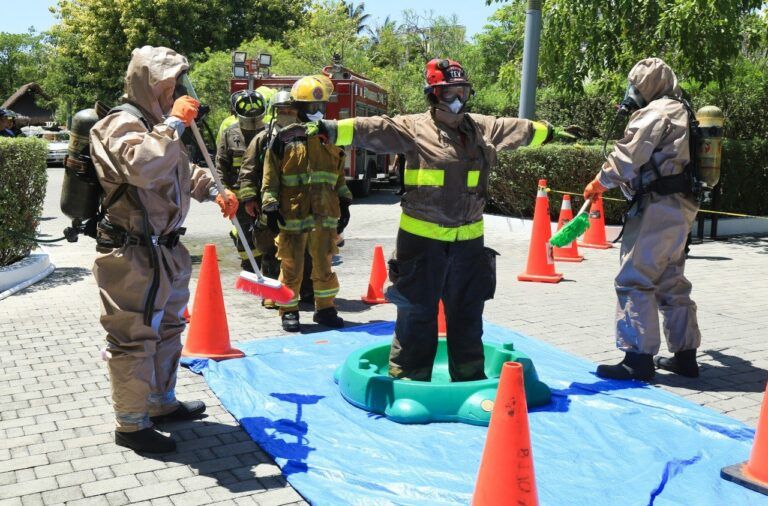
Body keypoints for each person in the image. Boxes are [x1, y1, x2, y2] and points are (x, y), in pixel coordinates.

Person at [311, 58, 565, 381]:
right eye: (449, 93)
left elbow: (515, 129)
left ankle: (469, 377)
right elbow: (374, 128)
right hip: (421, 246)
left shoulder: (480, 129)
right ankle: (409, 378)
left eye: (462, 91)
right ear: (433, 95)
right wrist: (331, 130)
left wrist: (548, 132)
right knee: (417, 312)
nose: (457, 99)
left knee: (468, 314)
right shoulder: (414, 128)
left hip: (469, 246)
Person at [90, 45, 238, 453]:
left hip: (167, 251)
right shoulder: (117, 125)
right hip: (131, 253)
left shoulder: (161, 127)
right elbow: (141, 166)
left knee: (169, 329)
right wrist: (172, 124)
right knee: (134, 337)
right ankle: (132, 424)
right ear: (148, 84)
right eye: (168, 87)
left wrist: (215, 190)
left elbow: (181, 172)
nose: (174, 96)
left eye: (177, 88)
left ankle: (160, 403)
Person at [583, 57, 701, 381]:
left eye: (636, 84)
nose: (631, 91)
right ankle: (685, 357)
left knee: (634, 277)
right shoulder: (683, 109)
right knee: (671, 280)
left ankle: (637, 359)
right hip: (682, 207)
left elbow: (627, 157)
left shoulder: (656, 112)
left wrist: (599, 181)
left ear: (648, 85)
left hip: (658, 206)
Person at [261, 75, 353, 332]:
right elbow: (271, 178)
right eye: (311, 107)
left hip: (325, 215)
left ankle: (325, 308)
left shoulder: (331, 137)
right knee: (291, 265)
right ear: (299, 108)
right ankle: (288, 310)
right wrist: (269, 205)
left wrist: (345, 202)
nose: (317, 112)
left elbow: (339, 177)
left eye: (321, 106)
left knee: (325, 263)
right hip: (292, 215)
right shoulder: (284, 139)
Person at [238, 90, 294, 308]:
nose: (287, 114)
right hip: (267, 205)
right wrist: (249, 198)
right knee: (268, 249)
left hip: (296, 206)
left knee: (296, 250)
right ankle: (271, 292)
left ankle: (298, 292)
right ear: (274, 112)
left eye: (291, 110)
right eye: (282, 110)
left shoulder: (304, 137)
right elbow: (248, 171)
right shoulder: (263, 139)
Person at [216, 89, 267, 272]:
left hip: (263, 196)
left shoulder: (269, 132)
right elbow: (220, 165)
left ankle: (266, 268)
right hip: (237, 199)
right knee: (243, 234)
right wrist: (223, 191)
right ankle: (249, 267)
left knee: (266, 235)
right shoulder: (230, 133)